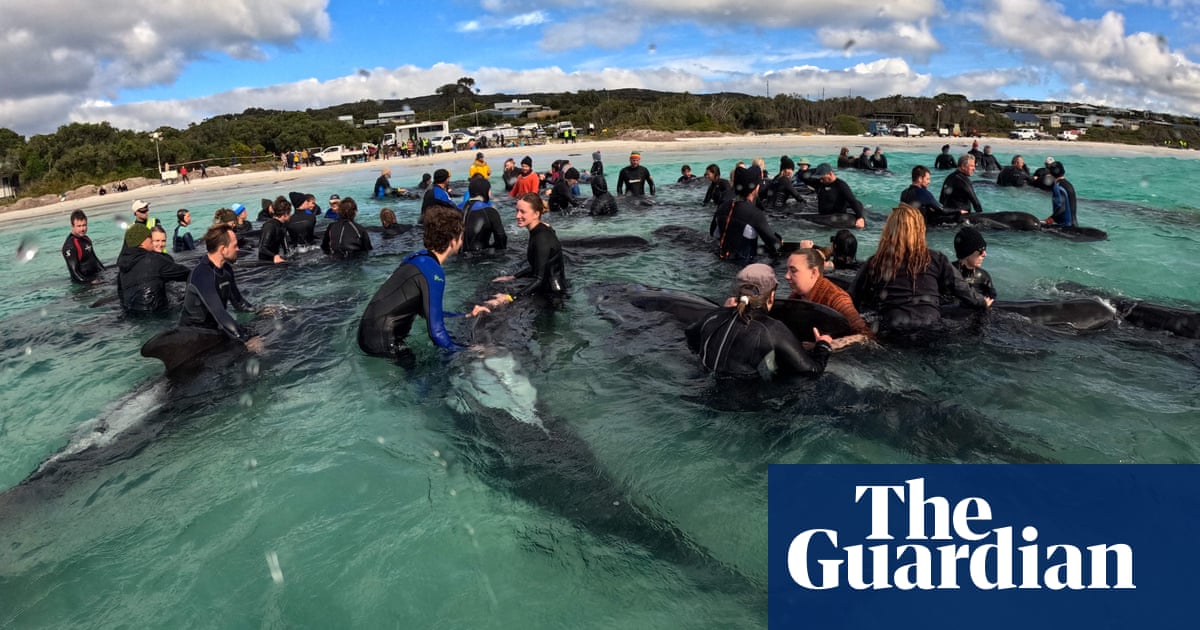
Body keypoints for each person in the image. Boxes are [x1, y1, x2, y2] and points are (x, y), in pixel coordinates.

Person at [357, 206, 492, 360]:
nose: (462, 241)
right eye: (461, 236)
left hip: (368, 333)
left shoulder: (416, 258)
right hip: (383, 342)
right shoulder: (433, 271)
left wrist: (465, 315)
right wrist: (471, 351)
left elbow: (425, 312)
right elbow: (437, 333)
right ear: (453, 240)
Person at [850, 204, 992, 333]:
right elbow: (963, 290)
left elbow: (851, 298)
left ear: (889, 231)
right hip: (930, 326)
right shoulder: (937, 259)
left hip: (893, 328)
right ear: (920, 230)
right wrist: (981, 302)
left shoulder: (875, 262)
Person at [685, 263, 833, 379]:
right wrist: (823, 346)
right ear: (771, 296)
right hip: (744, 407)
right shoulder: (773, 330)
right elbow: (812, 371)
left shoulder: (713, 316)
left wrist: (722, 312)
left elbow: (690, 337)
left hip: (703, 388)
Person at [180, 225, 262, 352]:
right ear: (223, 249)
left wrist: (261, 310)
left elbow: (239, 303)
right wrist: (246, 339)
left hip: (216, 330)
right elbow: (220, 314)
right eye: (235, 246)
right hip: (194, 338)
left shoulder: (226, 270)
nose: (238, 249)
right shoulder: (202, 274)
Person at [490, 193, 568, 306]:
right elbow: (539, 267)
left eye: (523, 212)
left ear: (536, 214)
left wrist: (510, 297)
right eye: (517, 210)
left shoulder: (541, 238)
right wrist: (513, 277)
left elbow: (539, 279)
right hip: (549, 288)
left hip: (553, 296)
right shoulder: (541, 229)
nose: (517, 215)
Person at [785, 248, 872, 346]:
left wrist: (829, 345)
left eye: (793, 271)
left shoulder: (837, 299)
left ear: (814, 272)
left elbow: (866, 336)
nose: (786, 276)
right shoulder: (795, 297)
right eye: (787, 270)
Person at [117, 225, 191, 315]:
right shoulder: (155, 260)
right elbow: (188, 274)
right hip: (158, 314)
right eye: (154, 240)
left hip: (133, 316)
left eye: (163, 240)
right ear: (145, 241)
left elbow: (121, 296)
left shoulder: (123, 267)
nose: (159, 244)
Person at [717, 166, 782, 262]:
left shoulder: (723, 206)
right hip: (743, 266)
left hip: (721, 258)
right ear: (755, 188)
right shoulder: (755, 214)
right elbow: (775, 244)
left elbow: (713, 232)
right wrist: (779, 240)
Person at [900, 165, 965, 226]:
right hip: (922, 227)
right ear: (920, 179)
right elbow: (941, 210)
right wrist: (958, 211)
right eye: (927, 179)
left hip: (908, 225)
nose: (929, 182)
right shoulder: (923, 193)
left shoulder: (904, 193)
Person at [810, 164, 867, 229]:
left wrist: (860, 218)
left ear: (830, 174)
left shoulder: (841, 185)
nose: (820, 180)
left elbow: (852, 201)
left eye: (822, 177)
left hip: (837, 218)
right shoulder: (820, 184)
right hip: (823, 217)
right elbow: (805, 176)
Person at [948, 227, 996, 300]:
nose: (985, 254)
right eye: (981, 251)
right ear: (967, 253)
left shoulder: (983, 276)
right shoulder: (946, 273)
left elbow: (992, 298)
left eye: (985, 250)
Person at [461, 177, 508, 251]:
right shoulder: (490, 212)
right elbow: (501, 238)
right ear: (486, 191)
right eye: (489, 190)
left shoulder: (455, 208)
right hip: (481, 258)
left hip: (457, 255)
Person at [63, 210, 105, 284]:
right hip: (83, 286)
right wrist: (91, 282)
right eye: (79, 226)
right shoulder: (70, 246)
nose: (82, 229)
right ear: (72, 226)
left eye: (84, 225)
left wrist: (106, 273)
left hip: (95, 276)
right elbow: (75, 274)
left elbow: (96, 261)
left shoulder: (86, 239)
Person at [258, 196, 291, 263]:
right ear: (285, 214)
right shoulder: (270, 226)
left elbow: (286, 249)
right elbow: (262, 248)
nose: (290, 215)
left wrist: (290, 257)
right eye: (290, 213)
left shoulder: (283, 226)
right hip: (265, 262)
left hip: (276, 258)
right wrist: (274, 256)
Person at [1045, 160, 1078, 227]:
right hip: (1074, 224)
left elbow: (1062, 209)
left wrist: (1051, 219)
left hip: (1064, 226)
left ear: (1051, 174)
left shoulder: (1058, 187)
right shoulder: (1068, 184)